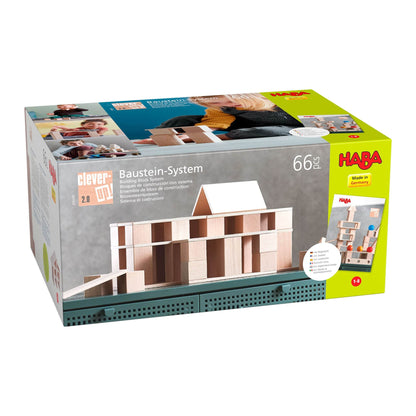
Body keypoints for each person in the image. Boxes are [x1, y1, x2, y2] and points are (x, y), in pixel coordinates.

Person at [157, 93, 304, 140]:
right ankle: (158, 135)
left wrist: (191, 139)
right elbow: (216, 121)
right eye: (217, 103)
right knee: (182, 120)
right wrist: (197, 133)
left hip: (291, 126)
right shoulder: (225, 108)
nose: (229, 105)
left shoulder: (271, 101)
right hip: (247, 121)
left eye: (230, 100)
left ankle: (222, 138)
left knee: (263, 131)